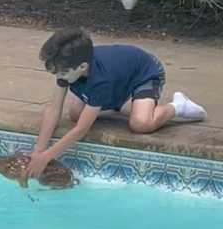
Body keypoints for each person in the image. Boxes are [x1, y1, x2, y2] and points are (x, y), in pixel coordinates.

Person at [27, 27, 207, 180]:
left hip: (144, 74)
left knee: (141, 124)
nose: (59, 78)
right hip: (118, 80)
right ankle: (125, 103)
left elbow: (81, 129)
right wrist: (39, 149)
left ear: (82, 67)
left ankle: (178, 106)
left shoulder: (99, 80)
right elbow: (53, 108)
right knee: (75, 113)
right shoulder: (67, 68)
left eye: (62, 74)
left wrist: (47, 157)